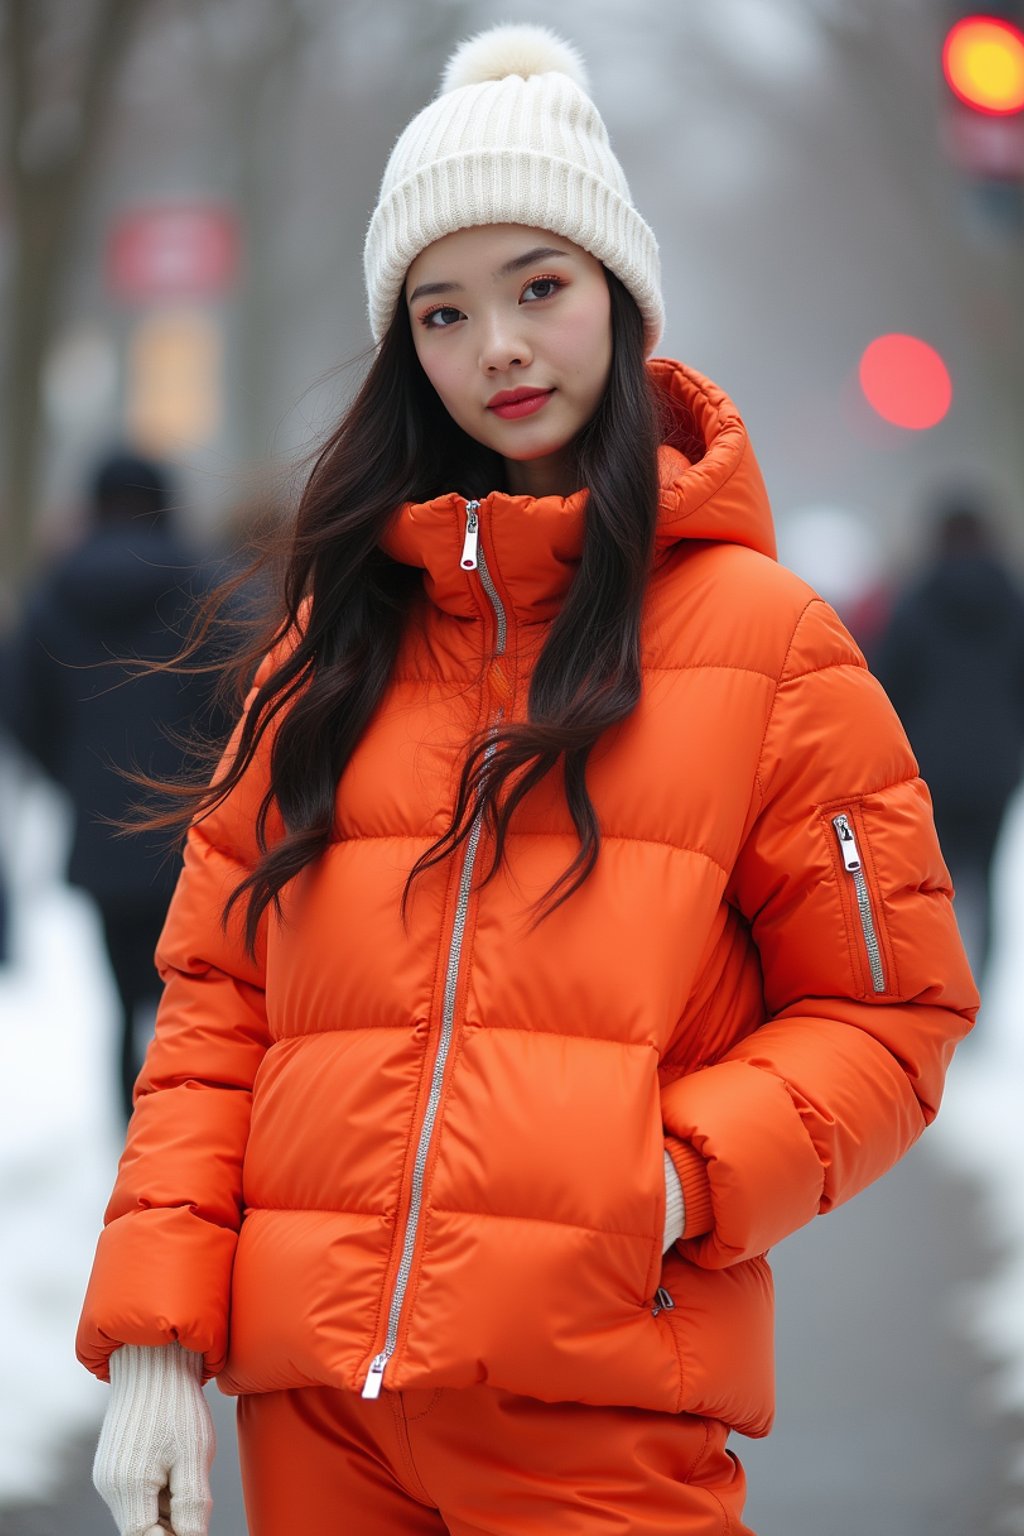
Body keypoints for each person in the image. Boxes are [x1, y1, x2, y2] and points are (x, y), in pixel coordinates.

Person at [75, 25, 977, 1536]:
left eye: (537, 288)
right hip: (318, 1426)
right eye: (443, 310)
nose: (494, 344)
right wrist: (156, 1339)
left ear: (620, 300)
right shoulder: (333, 648)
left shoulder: (765, 645)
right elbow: (217, 1005)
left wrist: (675, 1178)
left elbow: (893, 1013)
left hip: (600, 1415)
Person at [3, 451, 226, 1120]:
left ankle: (126, 1118)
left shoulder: (52, 596)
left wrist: (72, 776)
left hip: (101, 832)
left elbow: (18, 707)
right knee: (188, 993)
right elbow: (236, 699)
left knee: (119, 992)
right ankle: (178, 1119)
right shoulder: (207, 589)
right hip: (191, 831)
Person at [872, 497, 1024, 985]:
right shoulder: (1014, 603)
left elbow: (885, 685)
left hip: (929, 766)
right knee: (986, 878)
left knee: (935, 884)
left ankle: (941, 986)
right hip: (996, 768)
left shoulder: (916, 602)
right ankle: (981, 982)